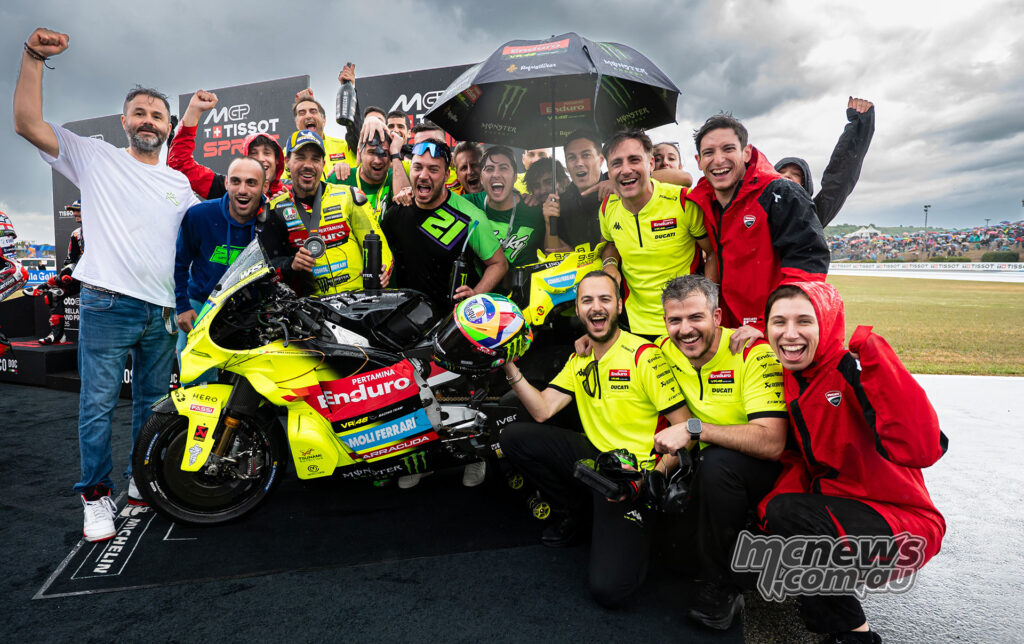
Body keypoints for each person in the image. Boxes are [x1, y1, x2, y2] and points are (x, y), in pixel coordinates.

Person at [14, 27, 202, 541]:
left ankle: (141, 483)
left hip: (162, 312)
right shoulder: (95, 157)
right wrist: (32, 57)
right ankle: (96, 498)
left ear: (168, 126)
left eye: (157, 115)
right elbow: (27, 123)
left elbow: (202, 235)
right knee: (96, 406)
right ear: (124, 122)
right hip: (107, 306)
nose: (148, 120)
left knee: (151, 406)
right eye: (139, 113)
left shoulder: (179, 183)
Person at [759, 282, 946, 643]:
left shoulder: (851, 369)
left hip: (903, 525)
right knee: (771, 516)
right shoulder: (790, 375)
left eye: (804, 321)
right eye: (778, 322)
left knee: (789, 516)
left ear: (827, 323)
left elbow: (924, 448)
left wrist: (878, 359)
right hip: (841, 509)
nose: (790, 333)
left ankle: (856, 634)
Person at [499, 270, 690, 607]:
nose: (596, 307)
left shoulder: (643, 356)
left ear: (619, 305)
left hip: (634, 473)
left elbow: (686, 430)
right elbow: (543, 409)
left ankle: (648, 528)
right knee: (514, 437)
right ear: (577, 309)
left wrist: (651, 479)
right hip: (596, 457)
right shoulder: (580, 357)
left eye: (604, 299)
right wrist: (508, 366)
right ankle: (579, 511)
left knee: (609, 590)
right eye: (587, 300)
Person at [650, 275, 788, 630]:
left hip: (762, 470)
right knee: (672, 558)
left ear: (717, 316)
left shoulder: (752, 353)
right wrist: (589, 339)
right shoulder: (664, 349)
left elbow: (773, 443)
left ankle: (725, 584)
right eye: (675, 320)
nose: (685, 330)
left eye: (695, 317)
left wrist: (696, 429)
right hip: (706, 464)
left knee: (716, 463)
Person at [686, 113, 829, 346]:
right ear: (698, 160)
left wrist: (767, 324)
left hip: (773, 337)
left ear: (746, 153)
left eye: (728, 149)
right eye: (709, 153)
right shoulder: (700, 200)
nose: (718, 160)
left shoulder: (780, 193)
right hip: (729, 334)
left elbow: (807, 267)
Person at [599, 129, 718, 339]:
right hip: (633, 326)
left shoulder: (683, 201)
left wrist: (708, 304)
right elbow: (611, 243)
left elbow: (712, 252)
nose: (626, 170)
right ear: (608, 171)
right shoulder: (607, 207)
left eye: (634, 160)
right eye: (616, 163)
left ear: (651, 164)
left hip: (684, 324)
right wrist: (609, 264)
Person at [381, 139, 507, 313]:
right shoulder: (398, 211)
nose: (423, 175)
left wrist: (476, 295)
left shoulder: (471, 215)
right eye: (417, 167)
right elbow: (381, 253)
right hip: (408, 317)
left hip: (453, 321)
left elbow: (499, 264)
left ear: (447, 175)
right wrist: (381, 270)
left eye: (433, 169)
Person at [261, 130, 391, 297]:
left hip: (359, 300)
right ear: (287, 162)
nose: (308, 165)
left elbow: (378, 243)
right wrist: (290, 264)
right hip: (314, 309)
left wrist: (383, 269)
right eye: (300, 157)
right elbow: (267, 270)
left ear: (323, 164)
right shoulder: (275, 210)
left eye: (315, 159)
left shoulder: (349, 196)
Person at [174, 157, 268, 382]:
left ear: (264, 187)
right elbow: (179, 262)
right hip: (202, 305)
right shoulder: (200, 215)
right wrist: (183, 306)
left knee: (246, 393)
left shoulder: (273, 219)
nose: (242, 190)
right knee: (197, 388)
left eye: (251, 182)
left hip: (250, 313)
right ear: (226, 183)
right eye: (236, 181)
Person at [544, 130, 695, 253]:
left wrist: (618, 184)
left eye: (586, 155)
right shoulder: (561, 200)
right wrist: (549, 222)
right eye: (571, 158)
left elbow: (685, 178)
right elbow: (552, 252)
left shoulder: (619, 179)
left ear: (601, 160)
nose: (579, 163)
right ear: (566, 163)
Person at [167, 89, 285, 200]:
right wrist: (193, 111)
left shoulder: (290, 191)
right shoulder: (229, 188)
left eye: (267, 153)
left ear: (277, 160)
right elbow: (180, 163)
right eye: (253, 153)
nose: (260, 158)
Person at [775, 97, 875, 227]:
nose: (787, 175)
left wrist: (860, 122)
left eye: (796, 174)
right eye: (781, 172)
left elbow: (838, 180)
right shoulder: (755, 208)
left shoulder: (809, 217)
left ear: (804, 185)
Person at [462, 146, 545, 268]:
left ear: (514, 177)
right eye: (489, 169)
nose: (496, 174)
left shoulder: (535, 211)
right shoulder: (467, 204)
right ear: (481, 178)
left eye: (503, 168)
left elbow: (553, 254)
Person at [23, 200, 84, 344]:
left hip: (100, 279)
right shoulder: (76, 234)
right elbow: (70, 260)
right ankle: (58, 335)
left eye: (78, 210)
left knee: (61, 279)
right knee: (53, 295)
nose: (74, 213)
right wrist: (66, 274)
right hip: (82, 276)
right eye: (73, 210)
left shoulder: (101, 232)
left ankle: (44, 286)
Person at [326, 125, 394, 219]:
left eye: (384, 153)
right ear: (359, 153)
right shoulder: (340, 179)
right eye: (371, 152)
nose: (377, 161)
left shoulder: (395, 178)